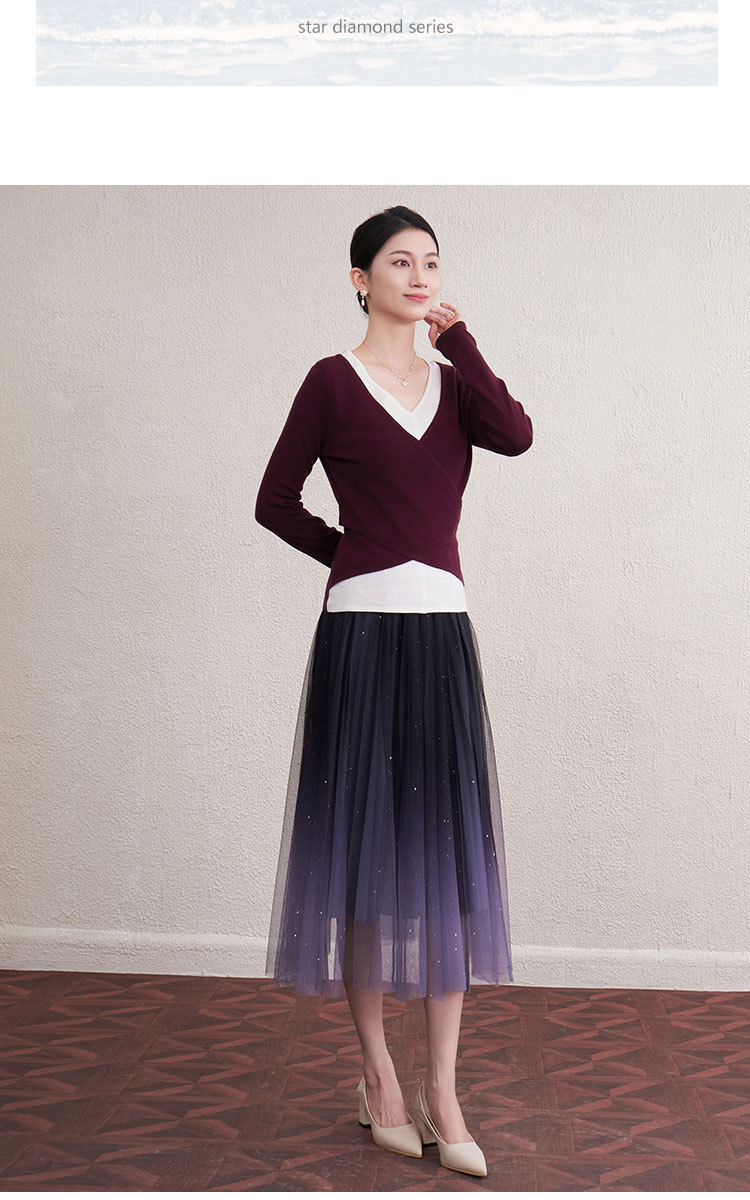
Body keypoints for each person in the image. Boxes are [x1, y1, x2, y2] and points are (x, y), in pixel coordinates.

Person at [255, 205, 533, 1177]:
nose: (420, 277)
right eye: (400, 262)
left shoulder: (457, 388)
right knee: (365, 868)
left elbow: (517, 435)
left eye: (432, 264)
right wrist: (354, 557)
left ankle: (443, 1090)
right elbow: (274, 501)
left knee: (448, 868)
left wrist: (466, 343)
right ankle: (378, 1075)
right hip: (362, 639)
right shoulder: (330, 382)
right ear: (359, 279)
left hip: (441, 636)